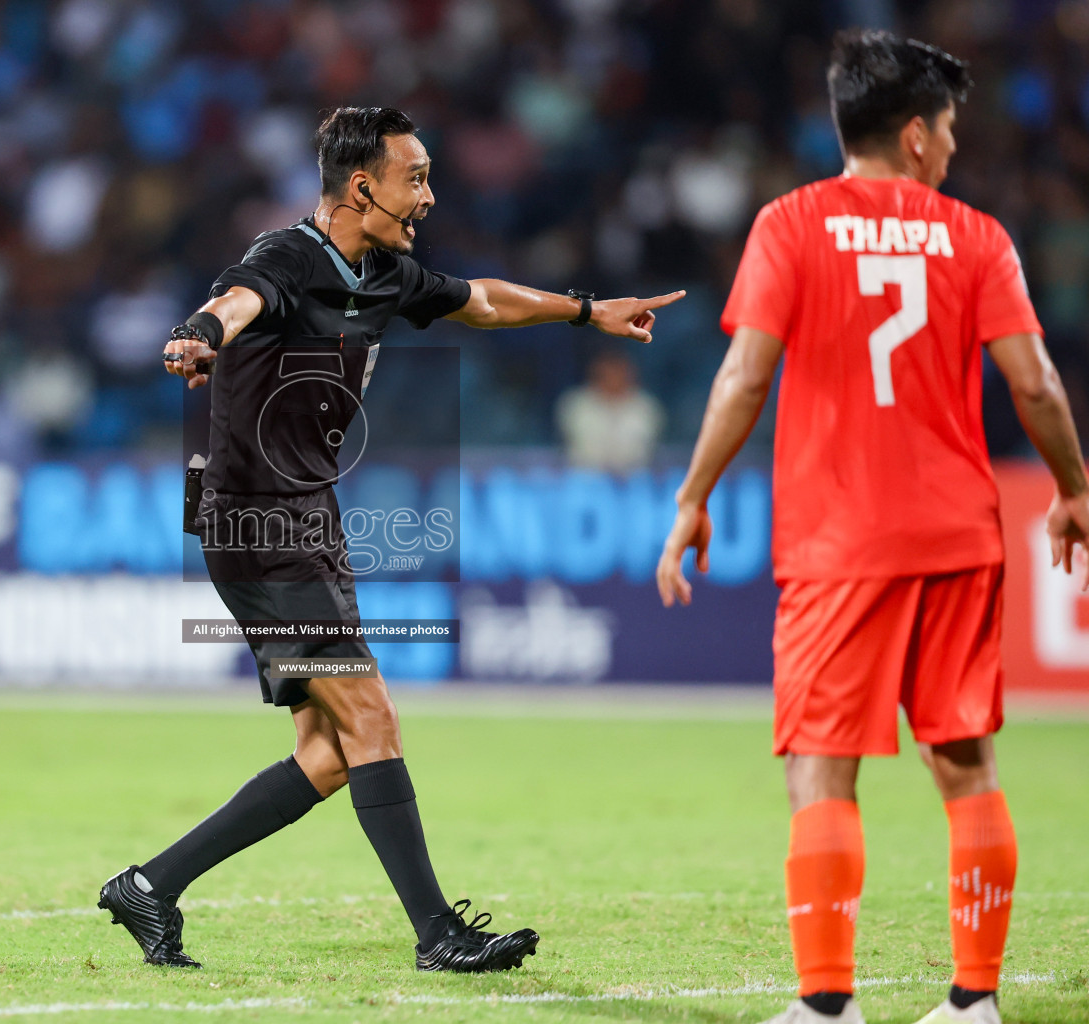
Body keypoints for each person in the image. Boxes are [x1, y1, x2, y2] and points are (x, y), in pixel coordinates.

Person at [97, 105, 685, 973]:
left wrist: (586, 310)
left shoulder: (384, 272)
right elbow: (238, 299)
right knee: (371, 715)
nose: (430, 196)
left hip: (305, 520)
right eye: (415, 179)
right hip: (260, 522)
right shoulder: (288, 256)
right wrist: (200, 334)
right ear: (361, 185)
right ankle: (438, 934)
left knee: (329, 754)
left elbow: (481, 301)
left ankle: (150, 887)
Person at [655, 30, 1089, 1024]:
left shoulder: (792, 224)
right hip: (959, 537)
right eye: (946, 128)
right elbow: (1035, 380)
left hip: (837, 543)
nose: (951, 146)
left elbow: (746, 373)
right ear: (914, 134)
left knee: (821, 765)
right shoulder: (978, 237)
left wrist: (693, 495)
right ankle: (973, 1003)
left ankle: (826, 1007)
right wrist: (1073, 489)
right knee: (967, 764)